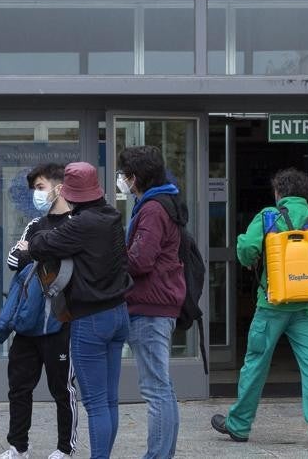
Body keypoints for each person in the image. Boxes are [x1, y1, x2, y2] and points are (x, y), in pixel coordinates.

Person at [211, 167, 308, 448]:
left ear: (279, 193)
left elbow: (246, 248)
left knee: (256, 363)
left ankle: (239, 425)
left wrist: (249, 256)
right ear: (307, 196)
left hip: (272, 304)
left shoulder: (269, 217)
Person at [27, 162, 132, 459]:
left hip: (91, 319)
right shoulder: (111, 216)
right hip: (119, 312)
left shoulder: (81, 224)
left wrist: (30, 242)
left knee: (96, 403)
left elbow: (40, 245)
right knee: (110, 400)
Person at [0, 163, 78, 459]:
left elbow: (74, 266)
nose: (37, 194)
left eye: (41, 187)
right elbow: (12, 260)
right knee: (19, 388)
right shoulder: (35, 225)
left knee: (62, 390)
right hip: (28, 322)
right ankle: (18, 446)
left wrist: (34, 252)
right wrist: (42, 252)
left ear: (59, 187)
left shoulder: (77, 222)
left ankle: (64, 449)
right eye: (35, 189)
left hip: (61, 322)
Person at [117, 146, 186, 459]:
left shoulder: (153, 209)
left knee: (155, 389)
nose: (121, 180)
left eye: (124, 175)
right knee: (163, 387)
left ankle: (157, 456)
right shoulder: (161, 202)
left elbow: (140, 261)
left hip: (149, 306)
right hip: (160, 303)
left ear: (135, 178)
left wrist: (112, 255)